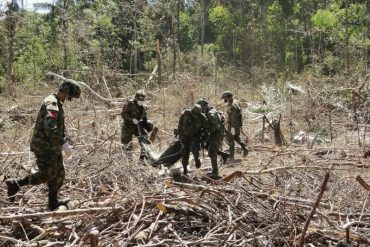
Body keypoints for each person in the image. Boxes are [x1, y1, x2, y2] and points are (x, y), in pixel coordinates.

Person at [5, 81, 81, 211]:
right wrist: (63, 144)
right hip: (43, 146)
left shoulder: (57, 103)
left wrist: (67, 140)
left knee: (59, 174)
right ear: (64, 92)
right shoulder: (51, 103)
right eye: (69, 97)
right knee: (48, 174)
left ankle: (53, 201)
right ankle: (16, 183)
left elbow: (60, 127)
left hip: (52, 145)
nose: (68, 100)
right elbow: (50, 128)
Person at [197, 98, 229, 179]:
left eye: (201, 108)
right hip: (216, 134)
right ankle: (224, 155)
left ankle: (216, 173)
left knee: (212, 152)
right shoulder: (212, 111)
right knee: (208, 147)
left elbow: (216, 126)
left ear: (204, 106)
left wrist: (207, 129)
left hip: (217, 134)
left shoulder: (210, 114)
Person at [121, 90, 153, 161]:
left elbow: (144, 118)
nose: (141, 102)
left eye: (142, 101)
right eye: (139, 100)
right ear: (136, 98)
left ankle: (143, 158)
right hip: (127, 126)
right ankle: (128, 161)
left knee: (144, 138)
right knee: (127, 144)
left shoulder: (143, 107)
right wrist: (132, 119)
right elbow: (123, 114)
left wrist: (148, 126)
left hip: (137, 126)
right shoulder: (129, 104)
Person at [177, 104, 208, 175]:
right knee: (184, 152)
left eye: (197, 114)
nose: (195, 115)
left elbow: (206, 127)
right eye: (194, 113)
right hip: (185, 137)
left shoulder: (202, 117)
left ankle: (197, 160)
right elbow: (180, 124)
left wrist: (204, 136)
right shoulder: (185, 113)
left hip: (195, 137)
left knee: (195, 150)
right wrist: (180, 135)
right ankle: (185, 169)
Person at [221, 91, 249, 160]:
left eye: (225, 98)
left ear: (228, 97)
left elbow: (233, 119)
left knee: (230, 140)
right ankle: (245, 148)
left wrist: (231, 130)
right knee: (236, 137)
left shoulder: (232, 106)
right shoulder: (236, 102)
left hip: (233, 126)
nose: (225, 100)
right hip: (237, 125)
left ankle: (231, 157)